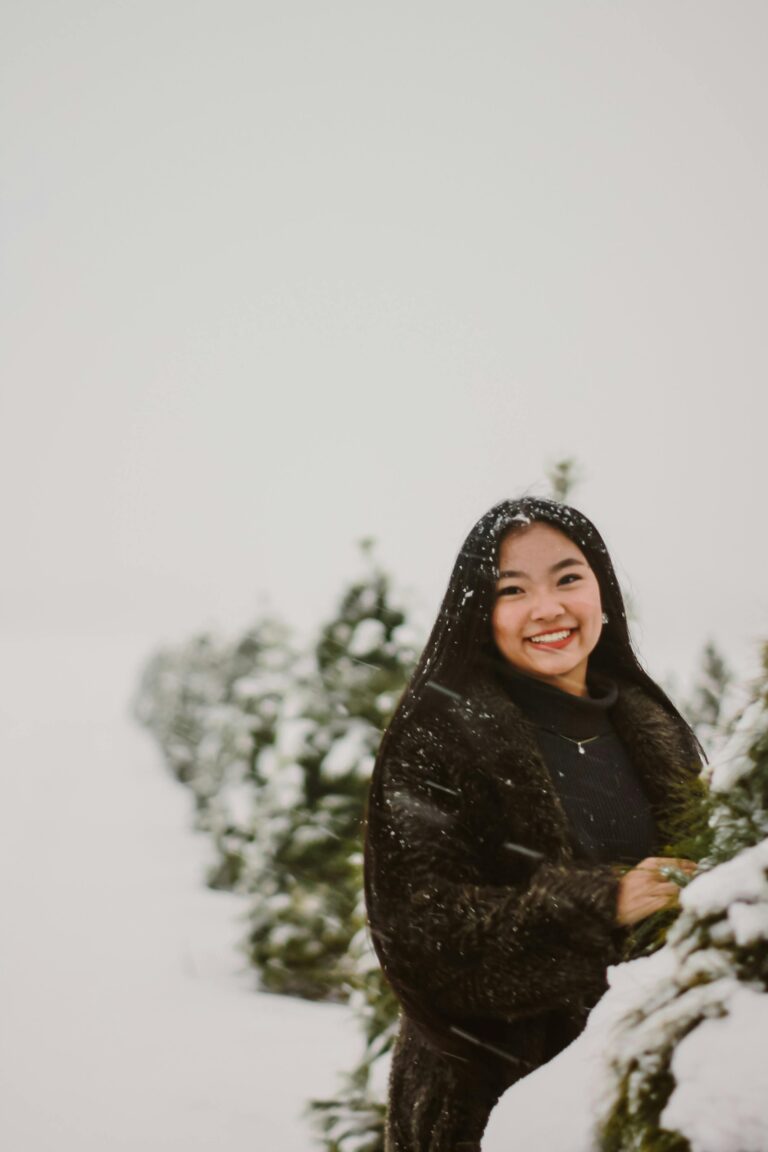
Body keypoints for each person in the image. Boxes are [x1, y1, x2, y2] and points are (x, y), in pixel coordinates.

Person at [363, 496, 703, 1152]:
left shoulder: (651, 728)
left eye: (568, 578)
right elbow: (422, 939)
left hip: (643, 1095)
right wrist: (604, 903)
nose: (548, 608)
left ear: (602, 591)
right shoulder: (437, 736)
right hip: (492, 1103)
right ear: (478, 612)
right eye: (512, 589)